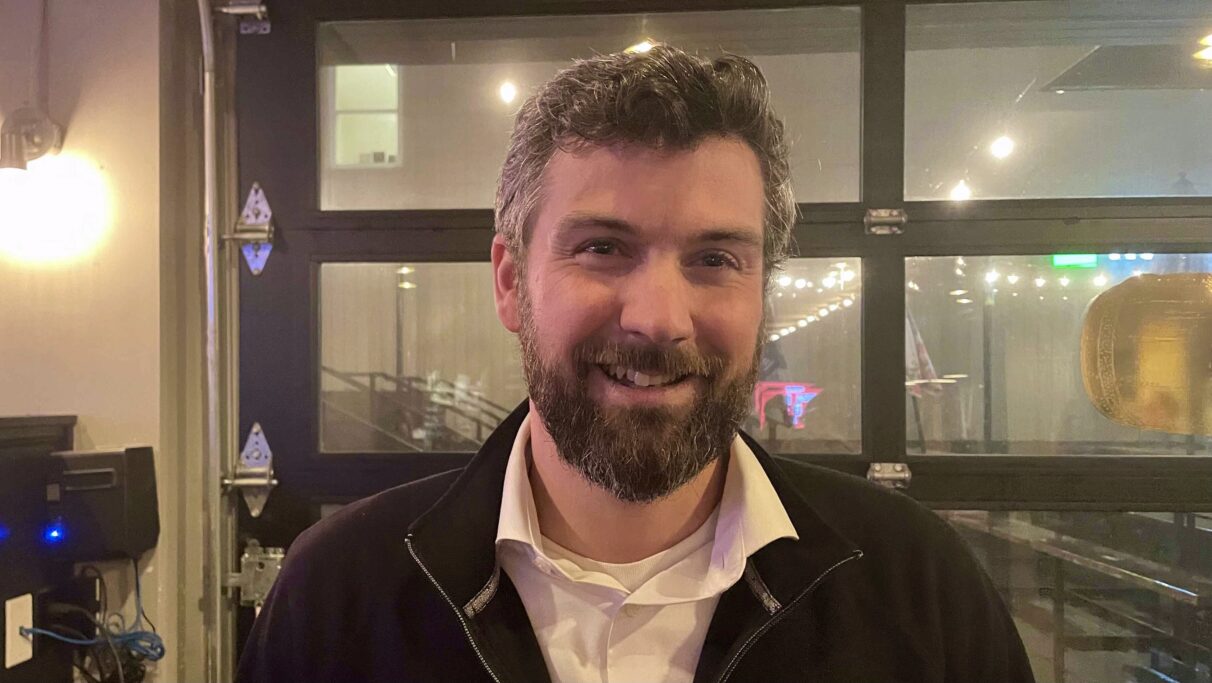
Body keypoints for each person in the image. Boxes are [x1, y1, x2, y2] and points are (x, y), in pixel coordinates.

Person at [236, 46, 1035, 683]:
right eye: (603, 248)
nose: (657, 317)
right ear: (512, 282)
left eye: (715, 257)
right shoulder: (339, 600)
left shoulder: (919, 593)